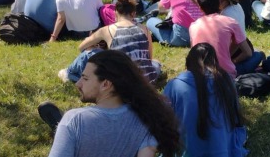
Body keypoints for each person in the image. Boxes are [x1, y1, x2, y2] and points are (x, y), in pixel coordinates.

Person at [41, 49, 180, 157]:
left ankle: (57, 126)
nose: (78, 84)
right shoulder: (147, 118)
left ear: (106, 84)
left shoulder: (74, 120)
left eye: (85, 78)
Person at [163, 43, 249, 157]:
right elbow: (235, 115)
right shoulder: (226, 80)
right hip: (223, 149)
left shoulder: (174, 85)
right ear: (214, 60)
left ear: (188, 62)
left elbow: (163, 119)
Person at [193, 0, 264, 76]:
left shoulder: (193, 26)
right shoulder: (231, 22)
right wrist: (232, 61)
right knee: (258, 55)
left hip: (202, 73)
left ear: (200, 8)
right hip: (227, 75)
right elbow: (247, 53)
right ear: (219, 2)